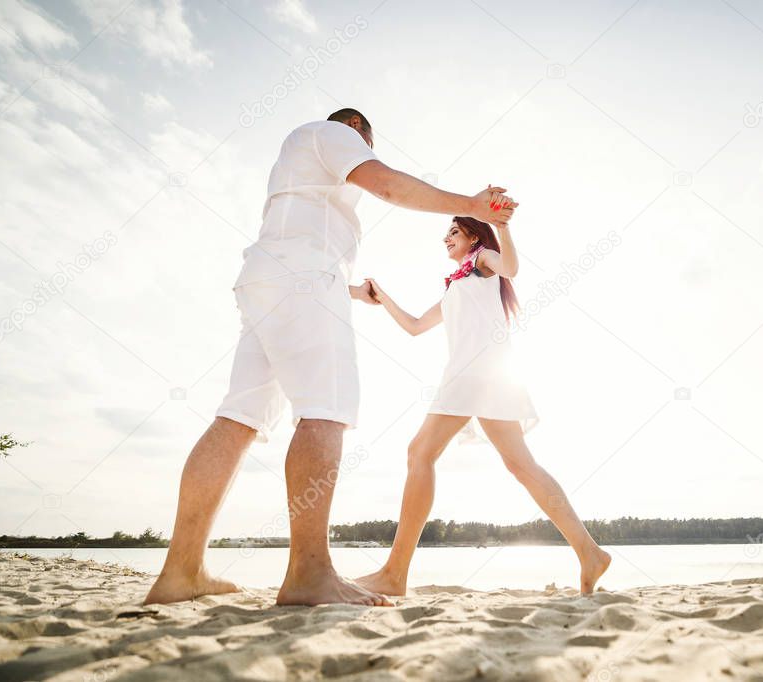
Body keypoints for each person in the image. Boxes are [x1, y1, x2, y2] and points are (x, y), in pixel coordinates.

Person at [144, 108, 516, 607]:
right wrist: (472, 204)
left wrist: (352, 291)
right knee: (326, 409)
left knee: (237, 418)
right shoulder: (335, 134)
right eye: (368, 145)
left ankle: (180, 572)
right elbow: (387, 185)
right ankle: (309, 574)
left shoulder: (294, 165)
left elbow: (298, 239)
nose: (366, 155)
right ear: (358, 131)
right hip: (304, 279)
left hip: (265, 280)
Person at [357, 216, 611, 596]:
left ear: (473, 236)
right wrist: (383, 295)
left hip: (475, 374)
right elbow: (412, 326)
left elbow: (511, 267)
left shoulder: (482, 261)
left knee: (420, 452)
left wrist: (502, 226)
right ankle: (590, 553)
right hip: (486, 376)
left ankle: (395, 573)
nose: (446, 237)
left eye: (454, 231)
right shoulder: (456, 284)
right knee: (521, 466)